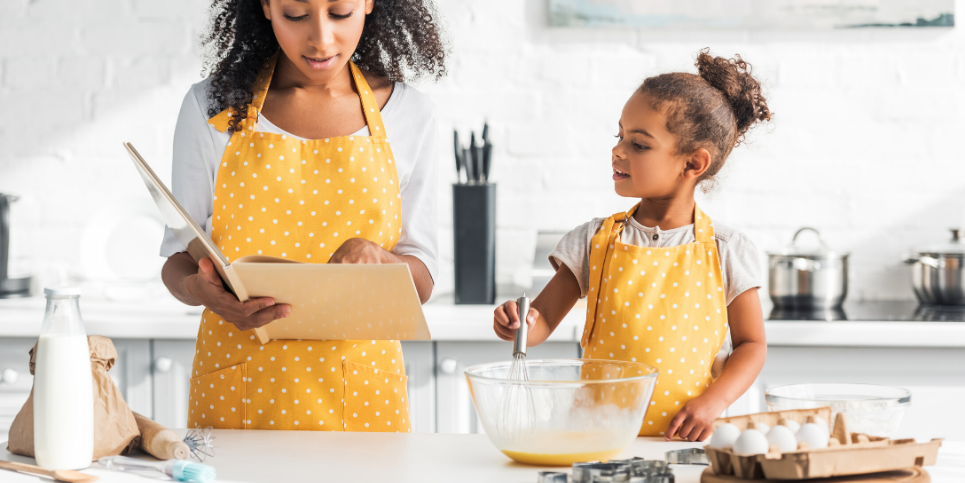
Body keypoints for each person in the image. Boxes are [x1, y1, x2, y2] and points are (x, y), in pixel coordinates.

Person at [159, 0, 446, 432]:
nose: (321, 39)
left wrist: (382, 260)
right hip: (238, 392)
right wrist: (202, 290)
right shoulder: (211, 107)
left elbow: (422, 279)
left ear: (368, 4)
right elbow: (178, 258)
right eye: (296, 15)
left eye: (340, 13)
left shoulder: (410, 115)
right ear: (267, 7)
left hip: (361, 397)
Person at [493, 49, 771, 442]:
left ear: (693, 164)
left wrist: (712, 403)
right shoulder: (594, 241)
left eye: (639, 144)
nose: (618, 150)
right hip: (596, 441)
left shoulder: (726, 249)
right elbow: (541, 321)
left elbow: (752, 345)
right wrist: (519, 325)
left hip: (684, 444)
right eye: (619, 135)